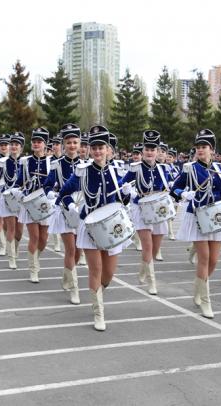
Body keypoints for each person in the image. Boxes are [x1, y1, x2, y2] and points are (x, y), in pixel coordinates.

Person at [57, 126, 129, 331]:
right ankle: (98, 312)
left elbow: (122, 200)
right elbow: (63, 193)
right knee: (95, 269)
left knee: (109, 274)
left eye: (101, 147)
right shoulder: (83, 171)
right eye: (94, 147)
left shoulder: (116, 171)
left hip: (112, 227)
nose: (98, 151)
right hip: (89, 226)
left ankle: (97, 293)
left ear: (108, 149)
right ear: (89, 150)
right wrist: (71, 205)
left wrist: (127, 192)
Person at [170, 129, 221, 318]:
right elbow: (174, 188)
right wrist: (183, 194)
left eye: (204, 147)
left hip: (216, 217)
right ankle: (206, 301)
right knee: (204, 258)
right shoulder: (189, 168)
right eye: (198, 147)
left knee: (214, 260)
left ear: (212, 150)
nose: (200, 150)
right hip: (197, 216)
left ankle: (198, 287)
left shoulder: (220, 169)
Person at [121, 130, 171, 294]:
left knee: (155, 249)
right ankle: (152, 283)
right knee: (147, 246)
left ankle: (143, 271)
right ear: (143, 151)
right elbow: (121, 185)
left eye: (153, 149)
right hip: (140, 208)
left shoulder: (163, 169)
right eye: (147, 149)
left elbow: (169, 187)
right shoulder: (135, 169)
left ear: (157, 152)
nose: (150, 152)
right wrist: (128, 190)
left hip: (158, 209)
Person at [45, 124, 82, 304]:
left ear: (80, 144)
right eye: (69, 142)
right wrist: (51, 193)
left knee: (79, 251)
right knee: (71, 249)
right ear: (64, 144)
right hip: (65, 210)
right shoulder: (57, 165)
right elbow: (47, 184)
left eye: (75, 142)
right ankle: (74, 288)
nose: (72, 146)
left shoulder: (86, 165)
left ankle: (67, 274)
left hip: (82, 210)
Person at [13, 127, 52, 283]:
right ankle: (33, 269)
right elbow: (19, 181)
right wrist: (18, 192)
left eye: (39, 142)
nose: (36, 144)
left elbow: (56, 182)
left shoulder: (51, 162)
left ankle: (35, 257)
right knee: (34, 237)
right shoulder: (26, 161)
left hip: (45, 204)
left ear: (45, 144)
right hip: (30, 203)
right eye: (34, 141)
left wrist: (54, 193)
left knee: (44, 239)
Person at [0, 133, 24, 269]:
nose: (13, 147)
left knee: (19, 231)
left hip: (21, 198)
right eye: (12, 144)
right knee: (11, 228)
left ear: (21, 147)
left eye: (16, 144)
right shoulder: (3, 162)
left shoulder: (25, 162)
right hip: (7, 198)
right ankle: (11, 257)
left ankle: (16, 248)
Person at [49, 135, 64, 253]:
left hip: (65, 193)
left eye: (57, 144)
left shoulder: (64, 160)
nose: (55, 146)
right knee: (55, 218)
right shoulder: (49, 160)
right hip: (54, 194)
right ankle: (57, 242)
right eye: (53, 144)